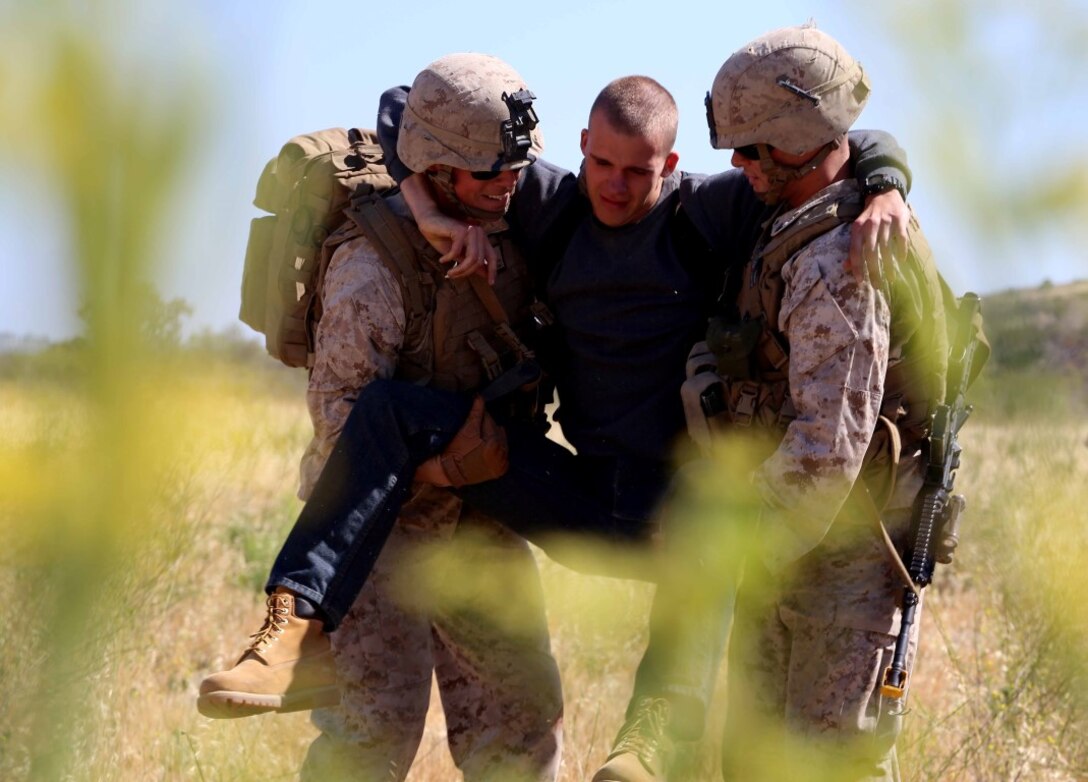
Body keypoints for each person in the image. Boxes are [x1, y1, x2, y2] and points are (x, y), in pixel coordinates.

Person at [205, 64, 912, 771]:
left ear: (669, 164)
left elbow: (833, 138)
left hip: (671, 513)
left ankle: (652, 741)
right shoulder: (549, 202)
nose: (614, 183)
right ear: (579, 146)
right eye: (600, 162)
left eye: (637, 171)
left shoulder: (710, 211)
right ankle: (297, 621)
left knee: (715, 512)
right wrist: (423, 205)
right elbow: (408, 108)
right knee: (390, 411)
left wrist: (886, 183)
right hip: (575, 497)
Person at [198, 53, 563, 782]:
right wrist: (443, 466)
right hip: (377, 535)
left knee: (523, 728)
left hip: (482, 521)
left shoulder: (511, 216)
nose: (509, 184)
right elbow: (342, 432)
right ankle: (294, 630)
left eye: (514, 168)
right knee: (371, 739)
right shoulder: (371, 267)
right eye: (489, 173)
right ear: (435, 170)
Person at [602, 24, 950, 781]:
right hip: (795, 549)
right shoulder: (807, 213)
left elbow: (823, 461)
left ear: (798, 143)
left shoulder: (838, 263)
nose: (738, 164)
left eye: (754, 148)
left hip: (843, 557)